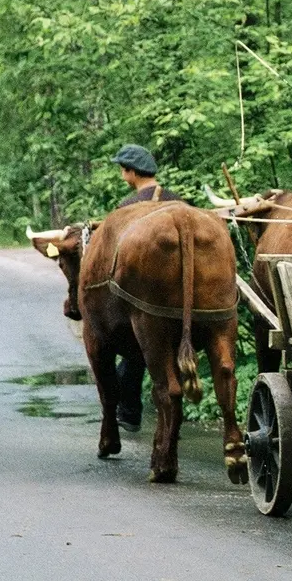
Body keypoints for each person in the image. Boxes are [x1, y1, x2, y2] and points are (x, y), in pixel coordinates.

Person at [110, 144, 185, 432]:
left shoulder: (127, 209)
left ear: (130, 172)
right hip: (180, 295)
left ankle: (129, 411)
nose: (121, 172)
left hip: (146, 298)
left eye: (122, 168)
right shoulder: (179, 203)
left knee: (133, 348)